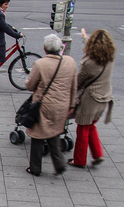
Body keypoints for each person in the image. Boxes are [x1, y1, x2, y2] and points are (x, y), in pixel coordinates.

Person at [25, 34, 77, 176]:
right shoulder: (70, 62)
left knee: (37, 134)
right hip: (62, 105)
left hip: (44, 105)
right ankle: (59, 164)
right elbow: (74, 85)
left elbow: (30, 85)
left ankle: (35, 168)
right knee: (53, 132)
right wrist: (72, 104)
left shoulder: (40, 64)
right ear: (61, 48)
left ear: (44, 48)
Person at [68, 28, 115, 168]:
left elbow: (78, 81)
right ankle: (98, 154)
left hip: (90, 100)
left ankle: (79, 160)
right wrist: (84, 37)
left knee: (82, 129)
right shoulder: (110, 58)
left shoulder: (89, 62)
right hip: (105, 98)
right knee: (91, 126)